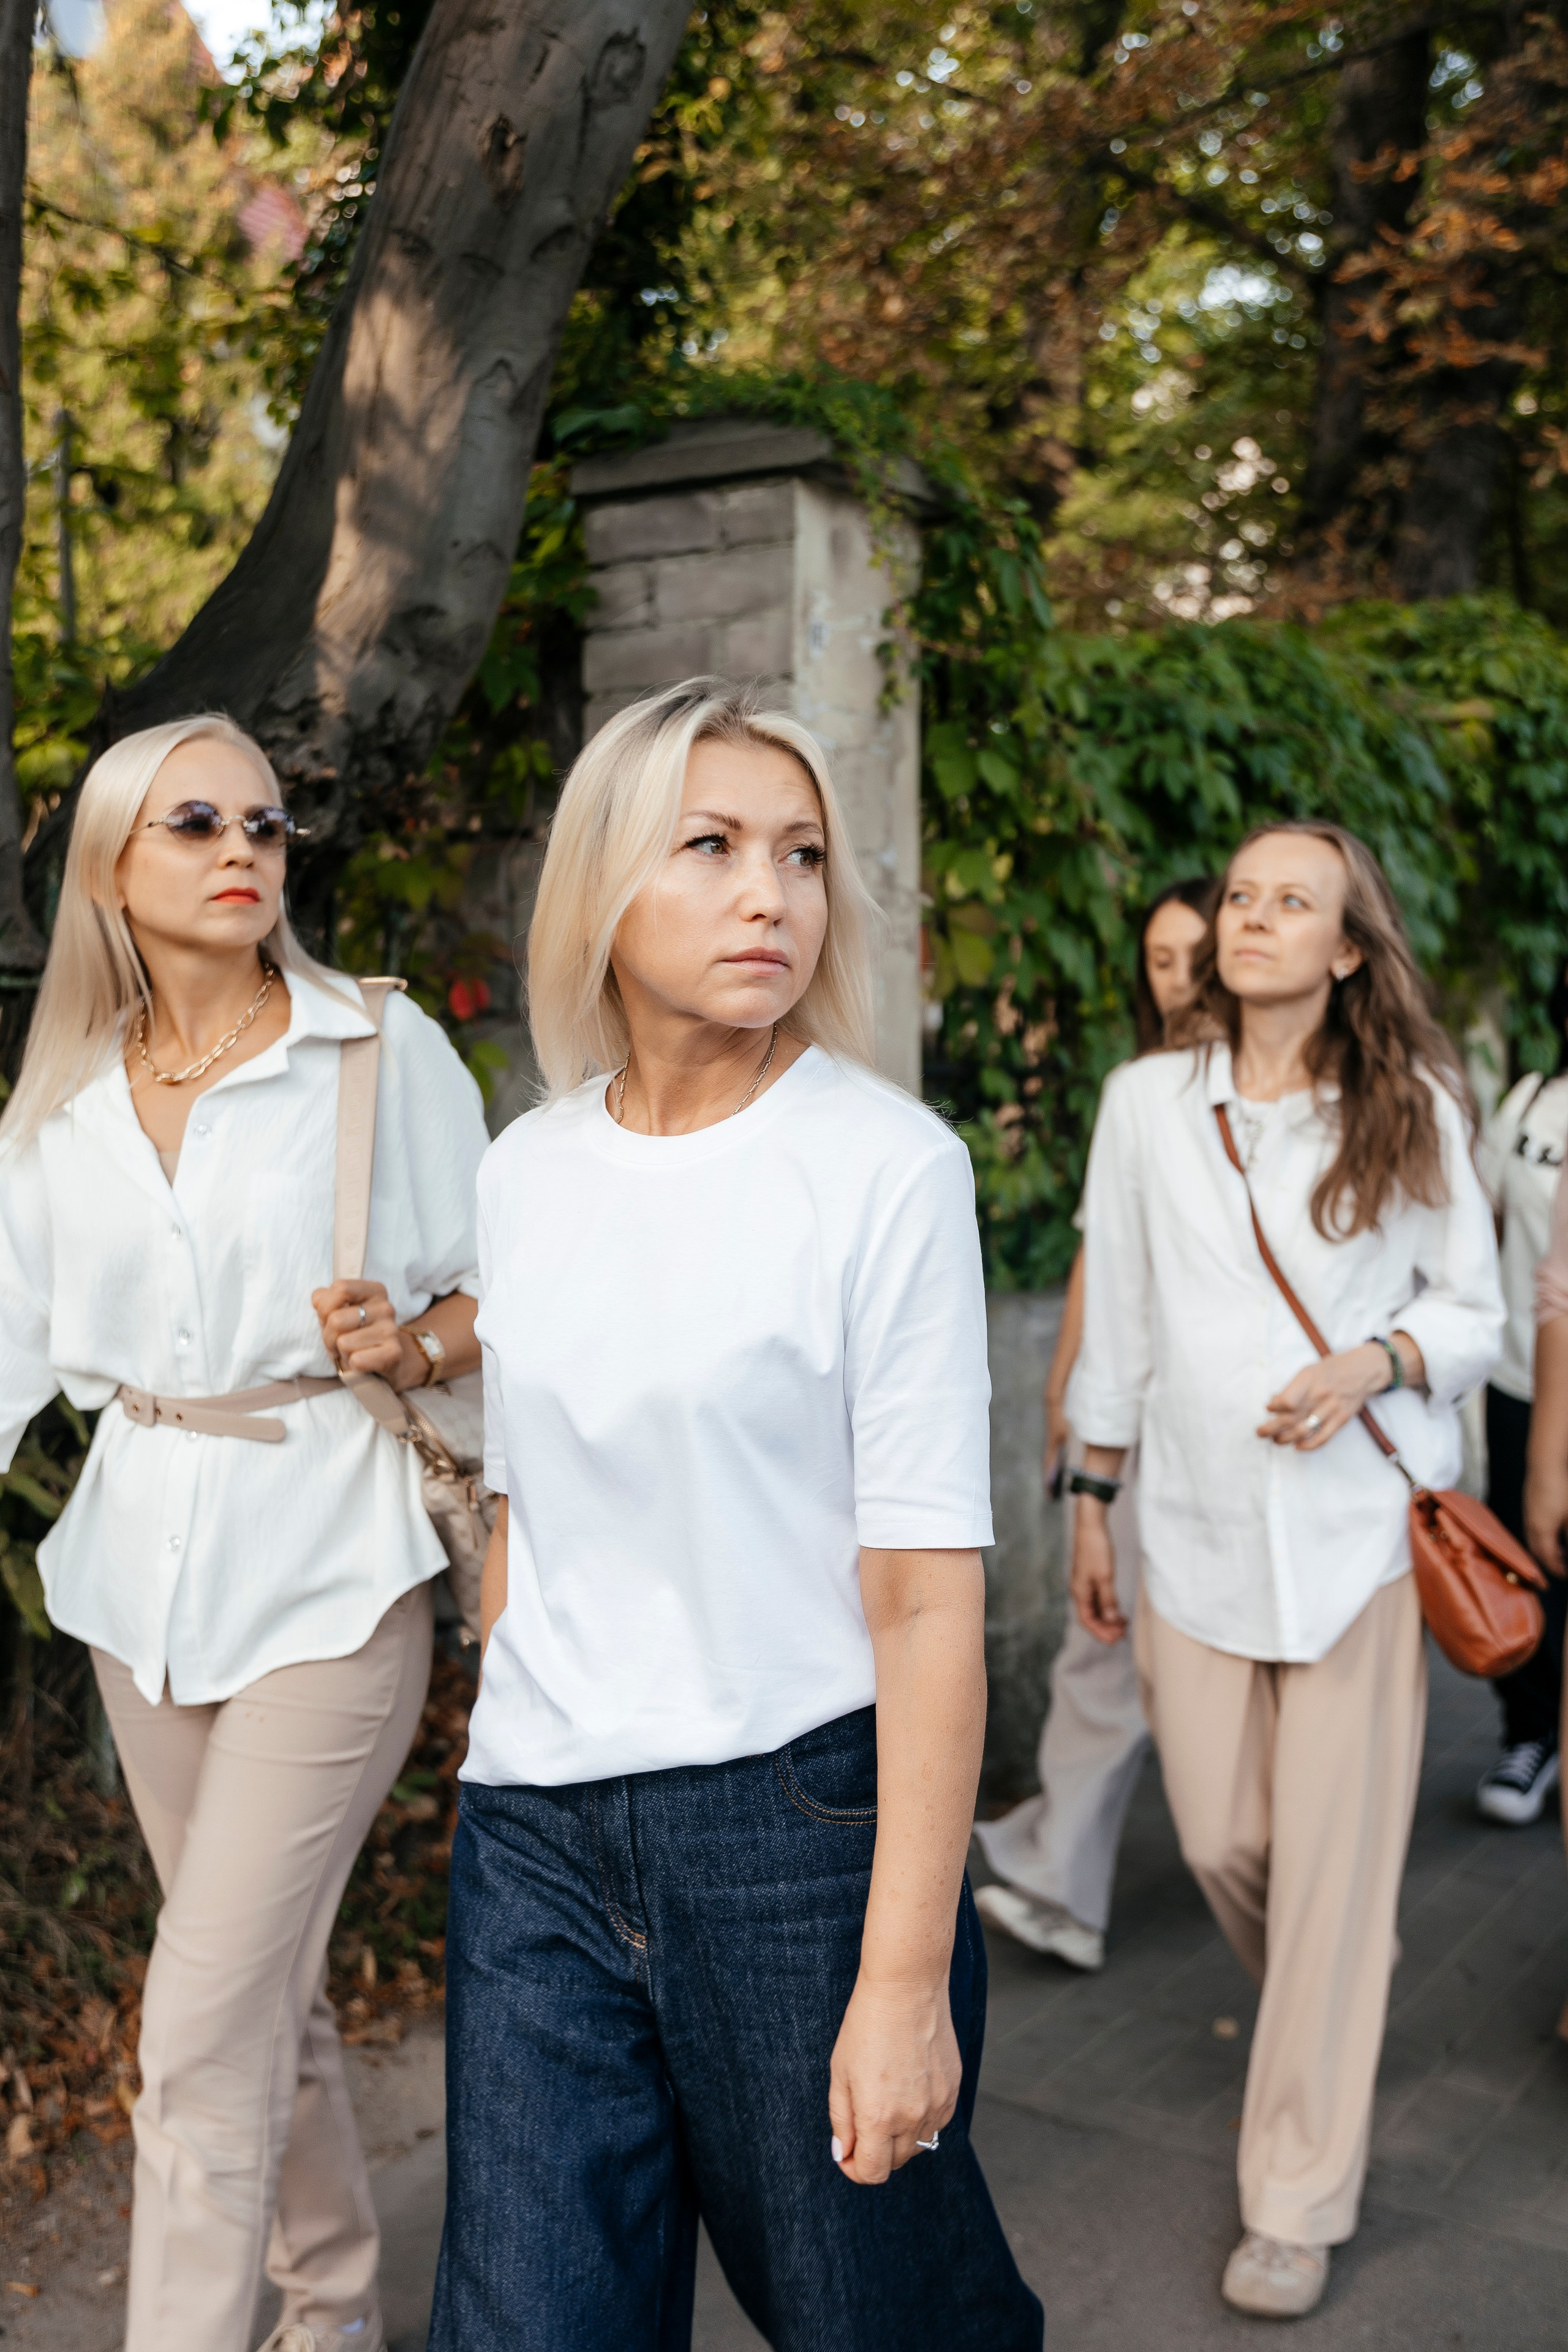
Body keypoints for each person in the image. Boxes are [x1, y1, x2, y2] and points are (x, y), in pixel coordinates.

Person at [428, 678, 1043, 2352]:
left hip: (798, 1836)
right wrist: (507, 1717)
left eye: (801, 854)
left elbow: (927, 1602)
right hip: (538, 1840)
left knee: (877, 2317)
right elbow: (522, 1500)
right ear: (606, 888)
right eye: (709, 847)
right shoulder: (527, 1169)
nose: (771, 893)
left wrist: (905, 1981)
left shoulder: (883, 1169)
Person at [0, 715, 490, 2352]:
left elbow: (521, 1282)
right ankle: (333, 2307)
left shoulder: (376, 1048)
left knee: (197, 2033)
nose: (245, 850)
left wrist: (414, 1343)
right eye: (198, 821)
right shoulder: (65, 1095)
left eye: (268, 825)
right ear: (113, 867)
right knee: (248, 2002)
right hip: (139, 1587)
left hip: (333, 1576)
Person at [1068, 821, 1501, 2320]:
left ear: (1344, 947)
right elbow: (1114, 1313)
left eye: (1289, 902)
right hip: (1184, 1535)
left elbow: (1475, 1316)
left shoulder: (1416, 1104)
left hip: (1353, 1549)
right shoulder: (1141, 1105)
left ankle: (1295, 2198)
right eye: (1239, 895)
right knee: (1224, 1847)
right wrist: (1087, 1494)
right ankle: (1334, 1980)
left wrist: (1371, 1360)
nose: (1251, 919)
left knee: (1324, 1886)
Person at [975, 876, 1218, 1970]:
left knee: (1140, 1660)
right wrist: (1065, 1387)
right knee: (1102, 1645)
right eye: (1160, 961)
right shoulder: (1142, 1093)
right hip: (1131, 1420)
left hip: (1232, 1430)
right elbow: (1100, 1257)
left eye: (1195, 956)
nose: (1178, 981)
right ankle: (1058, 1876)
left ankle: (1058, 1862)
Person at [1473, 975, 1568, 1822]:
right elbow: (1484, 1222)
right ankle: (1530, 1736)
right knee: (1523, 1561)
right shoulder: (1530, 1104)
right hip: (1519, 1377)